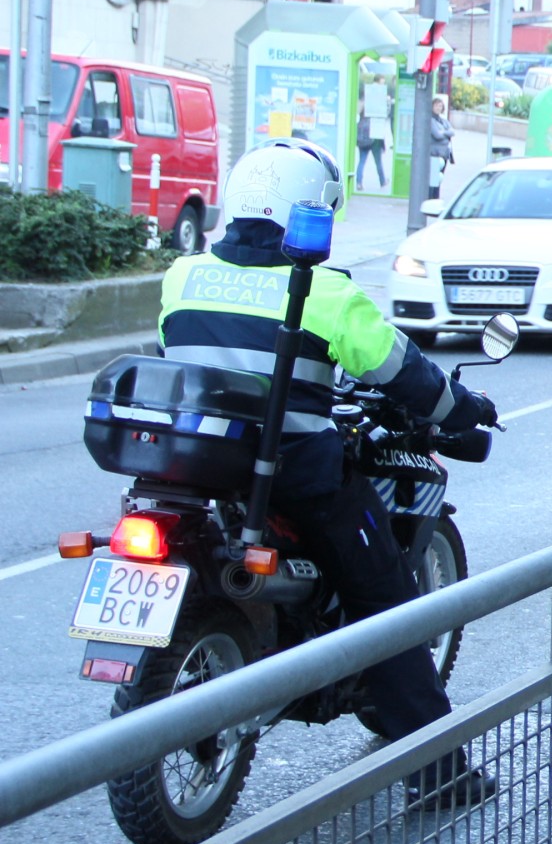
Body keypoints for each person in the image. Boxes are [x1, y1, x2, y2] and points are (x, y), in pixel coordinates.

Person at [158, 139, 498, 810]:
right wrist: (465, 409)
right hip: (293, 475)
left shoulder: (182, 275)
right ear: (308, 211)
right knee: (388, 605)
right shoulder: (324, 292)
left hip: (195, 468)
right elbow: (406, 374)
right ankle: (440, 776)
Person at [355, 85, 390, 190]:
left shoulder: (362, 102)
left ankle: (359, 182)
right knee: (378, 161)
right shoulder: (377, 104)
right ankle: (382, 181)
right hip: (375, 136)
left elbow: (357, 112)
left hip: (363, 137)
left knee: (362, 160)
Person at [426, 97, 455, 200]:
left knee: (439, 178)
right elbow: (437, 135)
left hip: (444, 154)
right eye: (436, 106)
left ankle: (435, 198)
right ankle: (431, 198)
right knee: (433, 179)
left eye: (440, 106)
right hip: (435, 153)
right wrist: (446, 134)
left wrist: (443, 133)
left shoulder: (443, 121)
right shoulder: (430, 120)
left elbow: (452, 132)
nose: (438, 108)